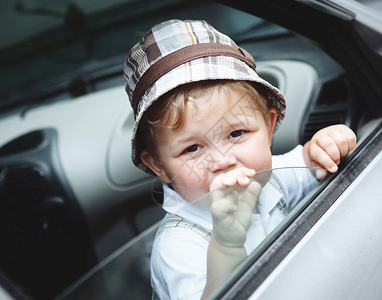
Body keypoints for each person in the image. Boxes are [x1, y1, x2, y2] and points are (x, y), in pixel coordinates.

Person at [123, 19, 356, 299]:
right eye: (192, 149)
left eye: (236, 133)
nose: (221, 161)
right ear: (158, 165)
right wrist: (225, 247)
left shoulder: (271, 177)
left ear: (269, 127)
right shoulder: (179, 244)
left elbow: (310, 165)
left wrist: (325, 145)